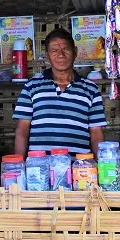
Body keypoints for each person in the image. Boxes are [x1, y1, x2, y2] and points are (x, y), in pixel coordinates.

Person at [13, 28, 107, 158]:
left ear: (75, 52)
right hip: (39, 169)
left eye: (66, 49)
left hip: (79, 170)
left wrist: (101, 167)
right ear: (47, 56)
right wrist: (19, 166)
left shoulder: (91, 89)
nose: (61, 55)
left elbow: (96, 134)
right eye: (54, 51)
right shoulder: (31, 86)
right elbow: (22, 131)